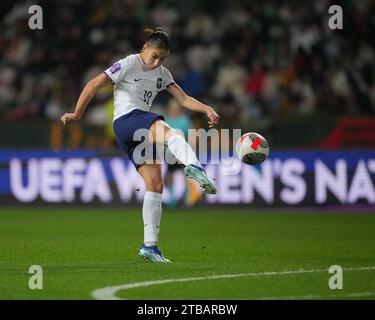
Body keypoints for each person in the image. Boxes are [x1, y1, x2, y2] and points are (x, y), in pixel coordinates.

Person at [60, 27, 219, 263]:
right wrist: (76, 113)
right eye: (154, 56)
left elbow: (184, 99)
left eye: (162, 58)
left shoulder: (163, 73)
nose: (157, 62)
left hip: (137, 133)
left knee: (155, 184)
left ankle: (150, 246)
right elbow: (93, 84)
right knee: (172, 133)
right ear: (145, 48)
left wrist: (206, 108)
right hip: (126, 121)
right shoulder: (128, 63)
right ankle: (195, 166)